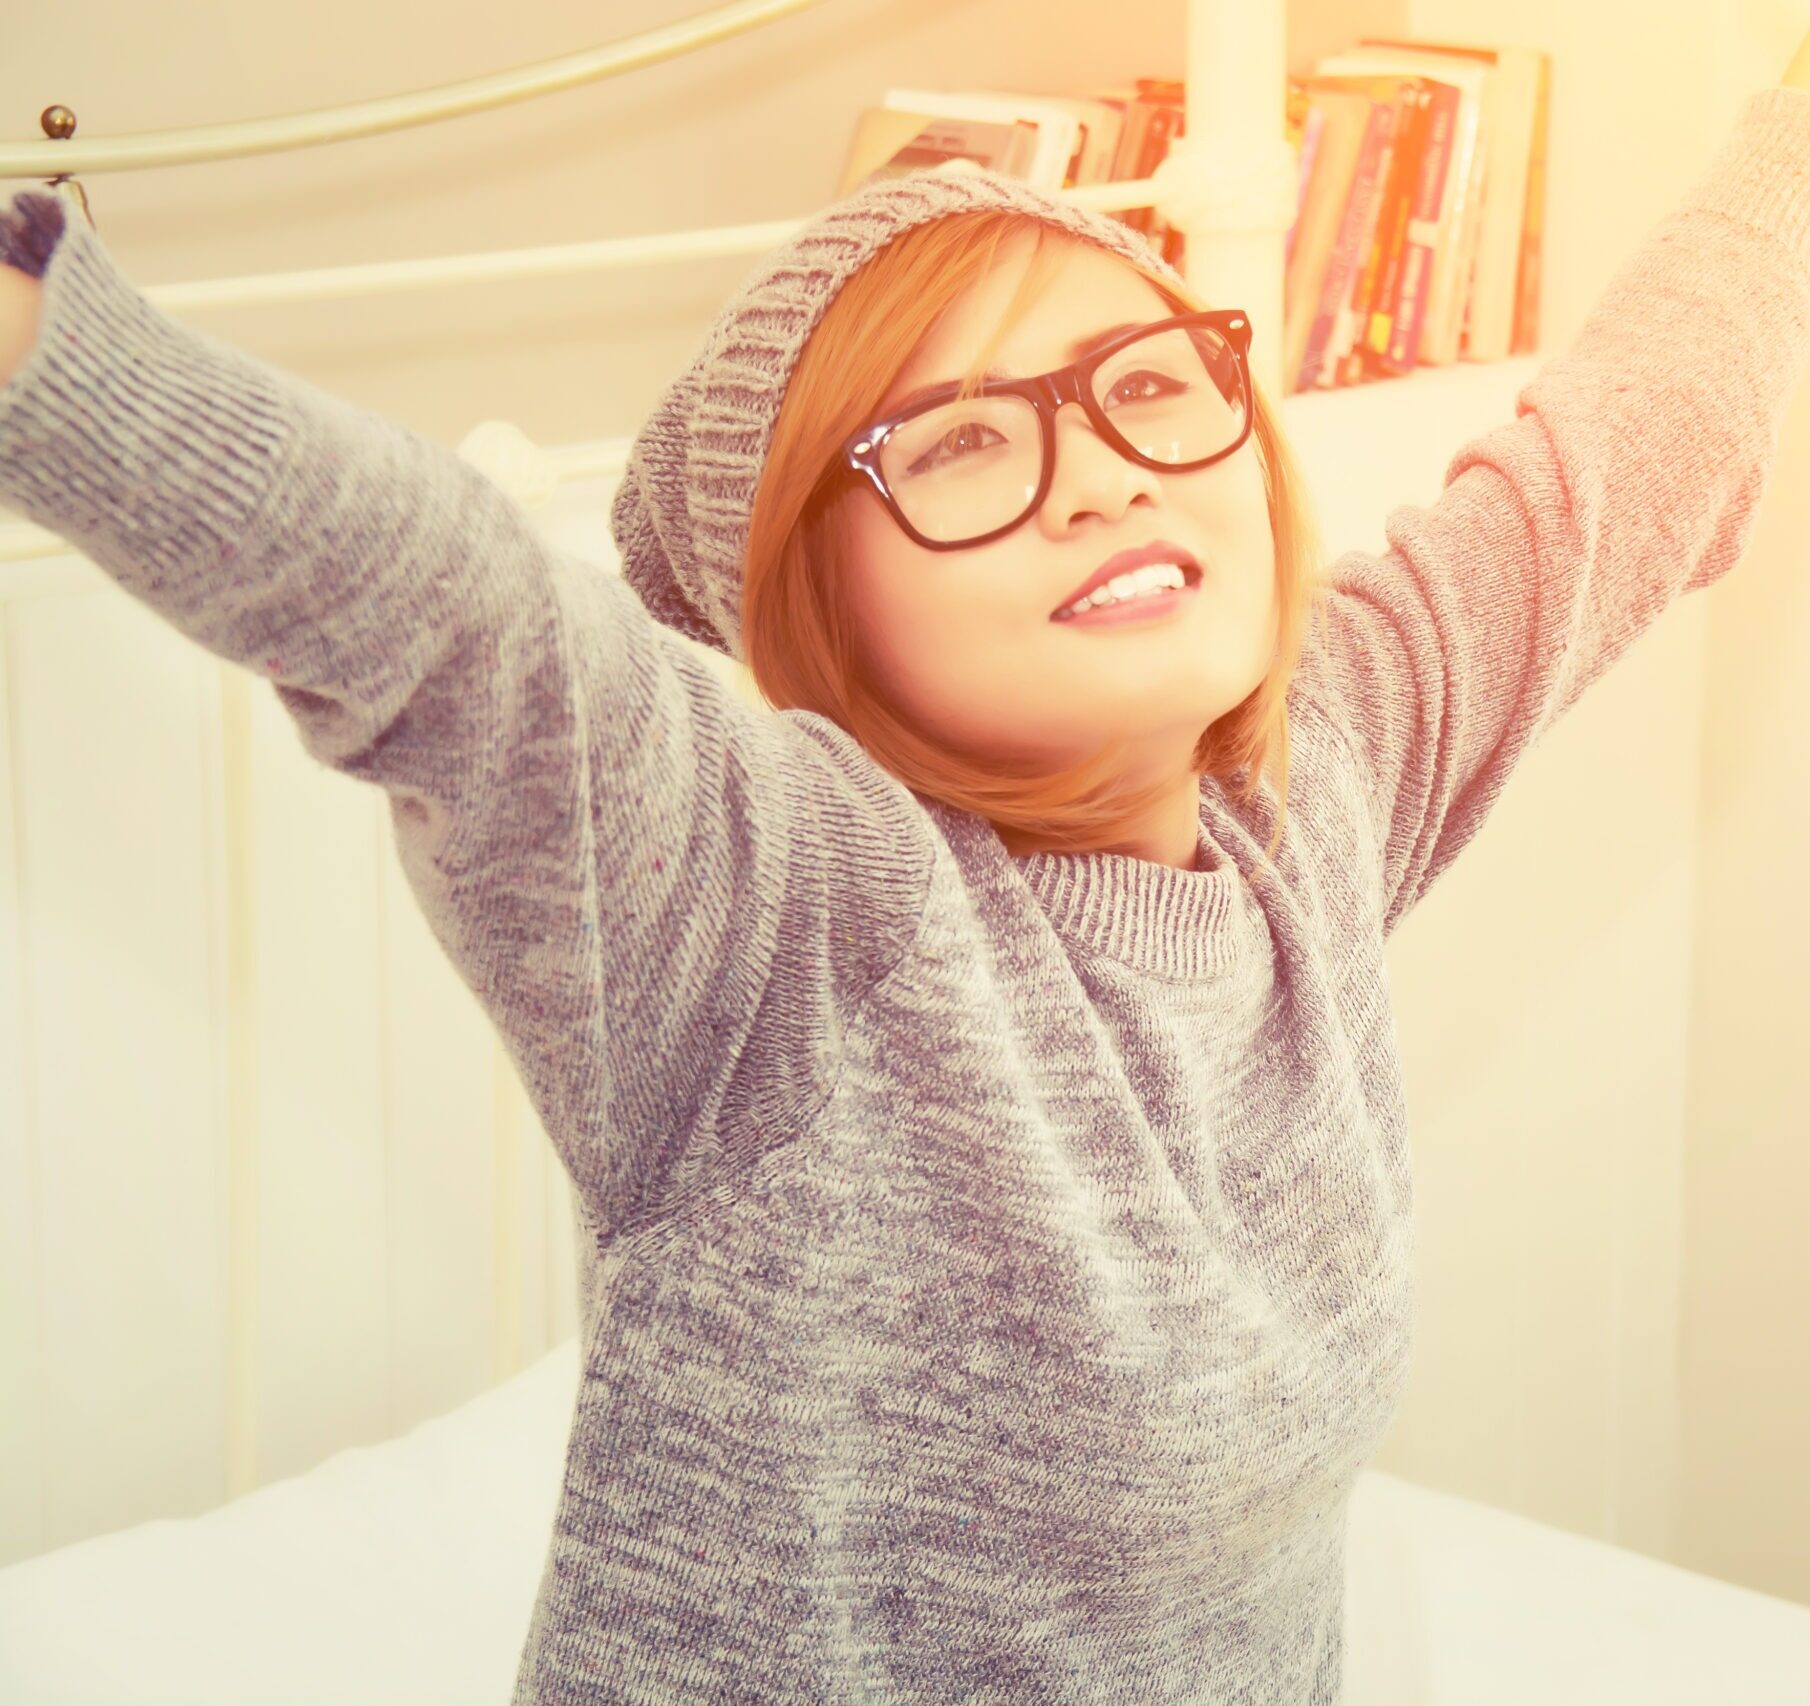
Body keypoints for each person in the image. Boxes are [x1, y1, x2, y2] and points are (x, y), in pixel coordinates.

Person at [3, 80, 1809, 1704]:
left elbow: (1630, 444)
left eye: (1153, 381)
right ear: (820, 611)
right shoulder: (791, 920)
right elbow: (460, 623)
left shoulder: (1312, 793)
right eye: (955, 443)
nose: (1097, 466)